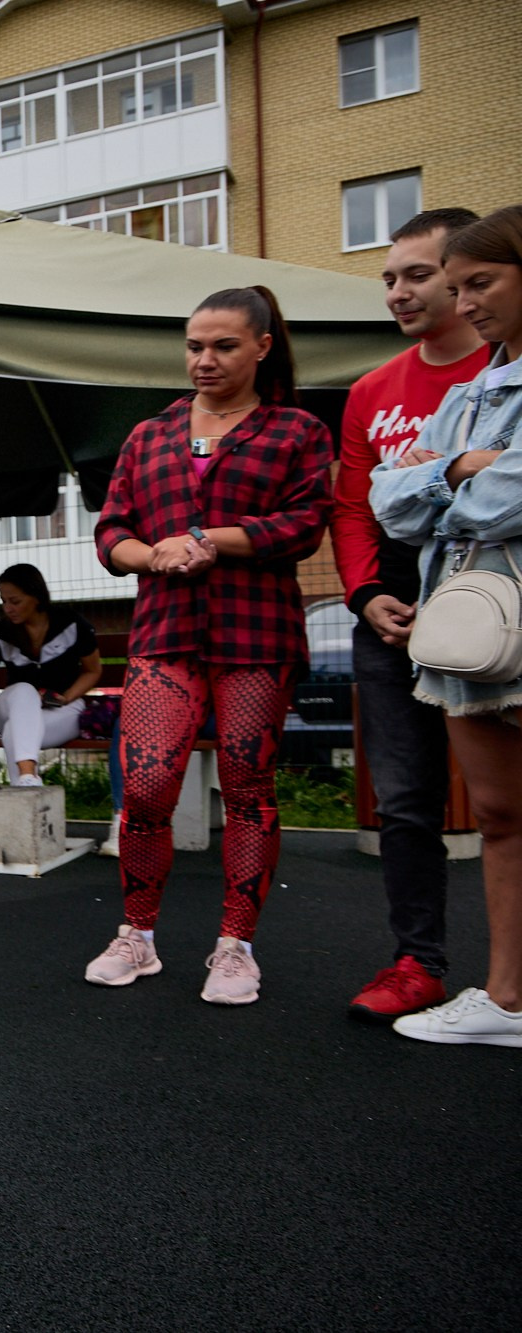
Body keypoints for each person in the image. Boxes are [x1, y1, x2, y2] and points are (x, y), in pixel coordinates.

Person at [88, 286, 332, 1005]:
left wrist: (210, 541)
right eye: (195, 345)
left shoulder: (295, 431)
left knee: (249, 786)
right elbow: (110, 531)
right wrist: (150, 555)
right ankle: (138, 934)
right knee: (147, 785)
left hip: (256, 632)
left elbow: (305, 524)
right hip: (164, 634)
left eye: (224, 345)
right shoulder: (149, 435)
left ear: (261, 346)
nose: (205, 359)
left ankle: (235, 946)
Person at [370, 204, 522, 1049]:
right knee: (499, 813)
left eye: (481, 283)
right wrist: (461, 469)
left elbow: (510, 499)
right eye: (456, 286)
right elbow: (389, 504)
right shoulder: (469, 396)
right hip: (472, 629)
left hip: (503, 613)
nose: (464, 304)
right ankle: (506, 999)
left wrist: (439, 483)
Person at [334, 208, 490, 1021]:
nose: (397, 291)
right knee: (405, 801)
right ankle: (416, 962)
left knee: (504, 804)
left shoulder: (504, 377)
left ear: (464, 279)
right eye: (389, 277)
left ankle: (509, 981)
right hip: (390, 615)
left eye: (417, 275)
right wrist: (364, 595)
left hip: (497, 602)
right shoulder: (370, 390)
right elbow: (353, 508)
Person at [0, 563, 101, 788]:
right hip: (11, 706)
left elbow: (93, 670)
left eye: (15, 601)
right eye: (4, 601)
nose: (8, 608)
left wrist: (67, 696)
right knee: (25, 691)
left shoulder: (70, 623)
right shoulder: (1, 632)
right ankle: (29, 775)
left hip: (63, 709)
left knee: (14, 733)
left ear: (36, 597)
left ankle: (26, 791)